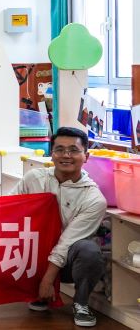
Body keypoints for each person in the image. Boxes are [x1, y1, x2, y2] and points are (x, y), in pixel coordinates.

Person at [17, 127, 106, 328]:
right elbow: (8, 208)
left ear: (86, 156)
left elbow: (66, 243)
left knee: (89, 251)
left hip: (67, 263)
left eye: (73, 150)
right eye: (59, 149)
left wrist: (47, 280)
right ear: (52, 154)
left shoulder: (93, 199)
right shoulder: (34, 178)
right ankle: (34, 291)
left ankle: (81, 304)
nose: (66, 155)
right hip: (33, 255)